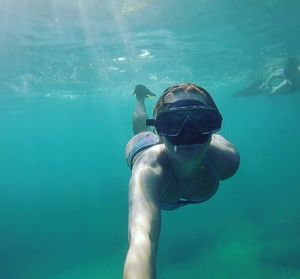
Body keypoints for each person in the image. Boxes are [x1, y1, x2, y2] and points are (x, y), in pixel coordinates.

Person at [124, 83, 240, 279]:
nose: (188, 135)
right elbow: (142, 238)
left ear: (213, 126)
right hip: (145, 146)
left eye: (202, 122)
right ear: (160, 130)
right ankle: (140, 98)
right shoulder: (148, 169)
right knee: (140, 131)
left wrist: (182, 124)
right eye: (172, 123)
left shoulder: (226, 160)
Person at [233, 57, 300, 97]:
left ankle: (260, 89)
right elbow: (273, 76)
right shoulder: (287, 74)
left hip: (293, 87)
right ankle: (259, 88)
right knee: (270, 92)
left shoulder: (290, 76)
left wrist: (273, 90)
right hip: (291, 85)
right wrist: (267, 84)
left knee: (272, 93)